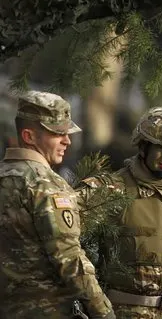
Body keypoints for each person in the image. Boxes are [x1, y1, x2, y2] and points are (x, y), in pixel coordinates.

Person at [76, 106, 162, 318]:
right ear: (143, 147)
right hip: (120, 312)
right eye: (160, 147)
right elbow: (64, 243)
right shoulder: (109, 190)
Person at [0, 90, 114, 318]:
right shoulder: (45, 184)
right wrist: (104, 311)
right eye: (57, 134)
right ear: (29, 136)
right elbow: (70, 258)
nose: (67, 140)